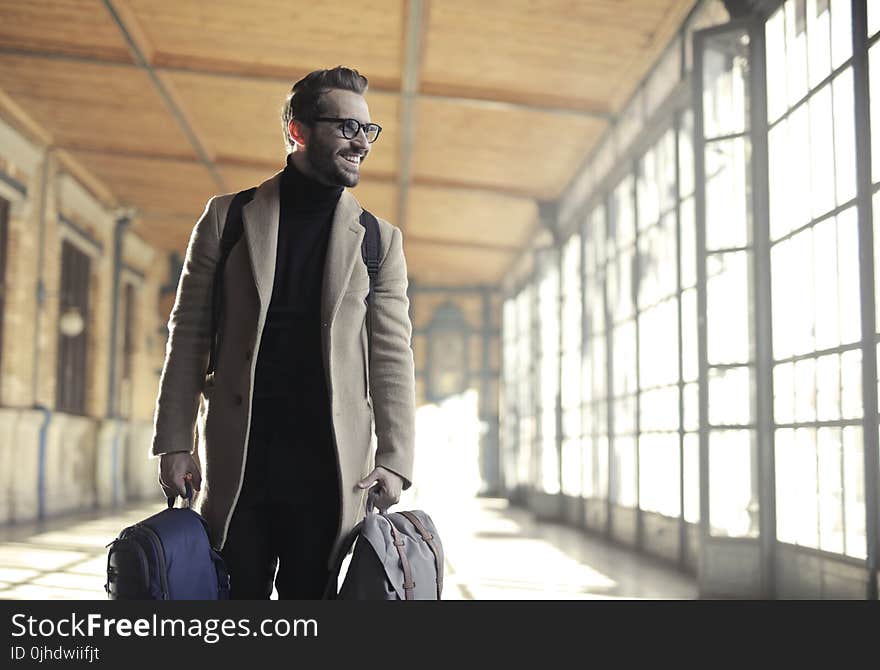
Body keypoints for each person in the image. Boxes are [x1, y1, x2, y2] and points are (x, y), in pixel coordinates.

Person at [149, 66, 416, 599]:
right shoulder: (227, 219)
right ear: (298, 131)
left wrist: (394, 458)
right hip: (240, 461)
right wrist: (174, 441)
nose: (361, 142)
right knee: (235, 599)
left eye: (368, 130)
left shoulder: (378, 241)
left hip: (330, 468)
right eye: (346, 127)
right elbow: (188, 335)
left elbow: (392, 356)